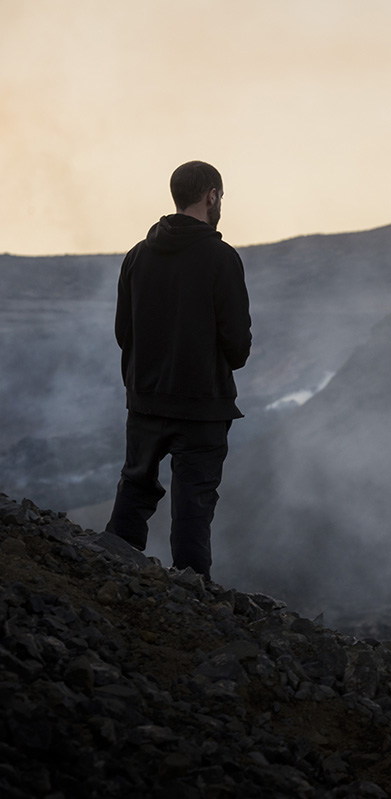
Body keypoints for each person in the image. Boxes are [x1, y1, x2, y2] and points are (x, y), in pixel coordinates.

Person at [105, 160, 252, 581]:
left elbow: (123, 332)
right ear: (212, 196)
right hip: (203, 407)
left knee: (135, 487)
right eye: (220, 196)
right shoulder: (221, 258)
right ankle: (193, 599)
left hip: (145, 400)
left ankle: (111, 574)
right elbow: (237, 345)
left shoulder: (137, 256)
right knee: (193, 504)